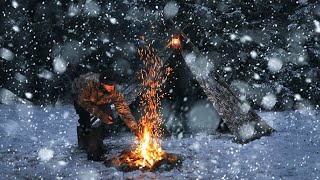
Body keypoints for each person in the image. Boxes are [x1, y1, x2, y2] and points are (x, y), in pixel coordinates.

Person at [72, 72, 139, 161]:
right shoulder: (87, 84)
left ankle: (98, 142)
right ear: (102, 83)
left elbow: (123, 109)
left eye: (113, 85)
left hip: (100, 99)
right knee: (85, 122)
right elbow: (84, 103)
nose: (112, 88)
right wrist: (101, 115)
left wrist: (134, 127)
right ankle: (87, 145)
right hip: (81, 98)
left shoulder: (113, 90)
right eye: (109, 85)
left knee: (109, 119)